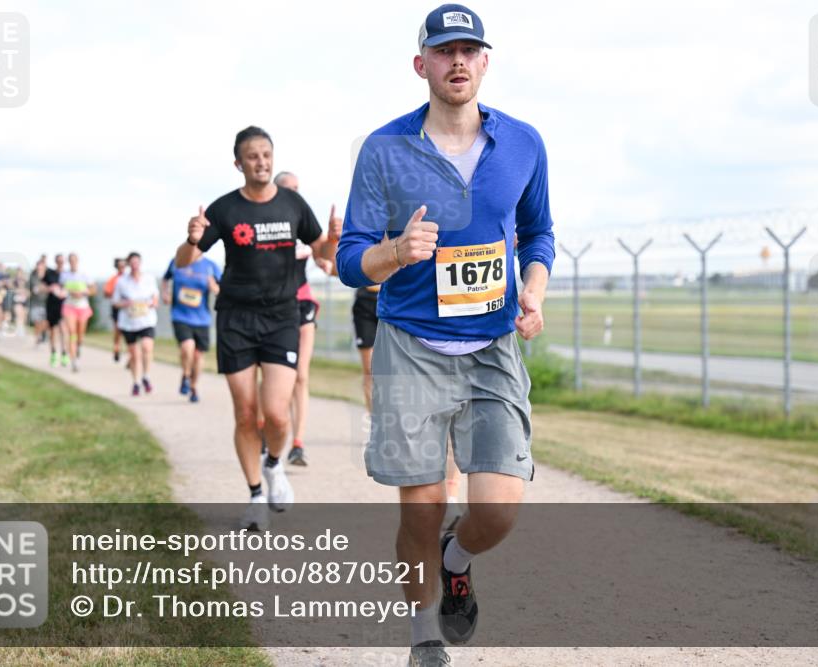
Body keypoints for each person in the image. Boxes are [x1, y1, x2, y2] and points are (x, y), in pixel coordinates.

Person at [335, 6, 555, 664]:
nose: (456, 61)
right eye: (443, 51)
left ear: (485, 61)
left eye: (469, 50)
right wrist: (396, 250)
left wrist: (534, 292)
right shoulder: (385, 149)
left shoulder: (523, 143)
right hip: (412, 349)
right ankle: (425, 637)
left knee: (498, 510)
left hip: (492, 347)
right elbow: (350, 258)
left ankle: (456, 560)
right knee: (421, 512)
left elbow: (539, 232)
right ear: (421, 64)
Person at [175, 126, 338, 531]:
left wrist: (333, 239)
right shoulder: (225, 209)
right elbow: (184, 260)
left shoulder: (293, 205)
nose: (262, 162)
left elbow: (324, 256)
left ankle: (273, 464)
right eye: (253, 156)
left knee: (277, 414)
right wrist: (191, 238)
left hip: (282, 317)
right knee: (246, 414)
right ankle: (255, 497)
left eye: (267, 154)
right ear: (239, 163)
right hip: (236, 318)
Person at [274, 171, 342, 467]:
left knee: (301, 375)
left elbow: (329, 263)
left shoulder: (306, 226)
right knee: (278, 378)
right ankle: (275, 430)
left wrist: (333, 240)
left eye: (297, 188)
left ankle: (298, 443)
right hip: (272, 309)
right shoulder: (265, 224)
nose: (294, 193)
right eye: (288, 188)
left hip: (302, 304)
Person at [161, 255, 221, 403]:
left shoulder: (210, 265)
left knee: (198, 356)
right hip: (180, 315)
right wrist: (165, 293)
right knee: (187, 346)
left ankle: (193, 387)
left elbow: (222, 288)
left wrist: (214, 288)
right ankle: (186, 375)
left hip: (202, 318)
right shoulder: (177, 261)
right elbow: (165, 279)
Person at [112, 252, 158, 396]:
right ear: (128, 265)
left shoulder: (149, 278)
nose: (134, 266)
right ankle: (136, 382)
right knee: (134, 354)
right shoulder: (122, 281)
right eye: (131, 263)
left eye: (136, 262)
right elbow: (115, 302)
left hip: (146, 320)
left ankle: (146, 376)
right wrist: (126, 303)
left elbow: (155, 297)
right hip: (129, 322)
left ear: (140, 263)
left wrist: (152, 304)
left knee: (146, 347)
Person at [60, 253, 95, 372]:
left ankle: (78, 346)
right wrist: (67, 292)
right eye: (70, 260)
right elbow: (61, 289)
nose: (72, 262)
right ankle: (74, 361)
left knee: (80, 335)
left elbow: (93, 290)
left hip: (83, 307)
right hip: (69, 306)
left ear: (77, 261)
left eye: (74, 260)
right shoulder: (64, 275)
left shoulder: (84, 274)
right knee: (72, 333)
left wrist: (82, 293)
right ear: (68, 262)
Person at [43, 254, 68, 367]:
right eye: (58, 261)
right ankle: (53, 353)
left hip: (65, 305)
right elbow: (41, 287)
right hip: (52, 305)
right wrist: (50, 288)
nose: (60, 263)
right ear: (56, 262)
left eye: (62, 261)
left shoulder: (67, 275)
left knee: (63, 329)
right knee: (53, 330)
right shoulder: (49, 273)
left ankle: (64, 353)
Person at [104, 257, 127, 362]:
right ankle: (116, 349)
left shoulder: (129, 278)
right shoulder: (113, 279)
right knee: (118, 331)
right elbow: (106, 293)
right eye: (120, 266)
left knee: (129, 332)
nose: (122, 268)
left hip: (128, 308)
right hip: (117, 308)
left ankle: (130, 355)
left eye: (124, 266)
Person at [28, 258, 50, 345]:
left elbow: (50, 288)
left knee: (44, 321)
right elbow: (33, 289)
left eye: (42, 266)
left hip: (46, 302)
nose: (40, 268)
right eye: (39, 266)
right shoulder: (33, 277)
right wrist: (42, 288)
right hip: (35, 302)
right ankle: (38, 337)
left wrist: (43, 288)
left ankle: (42, 334)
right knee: (37, 321)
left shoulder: (48, 277)